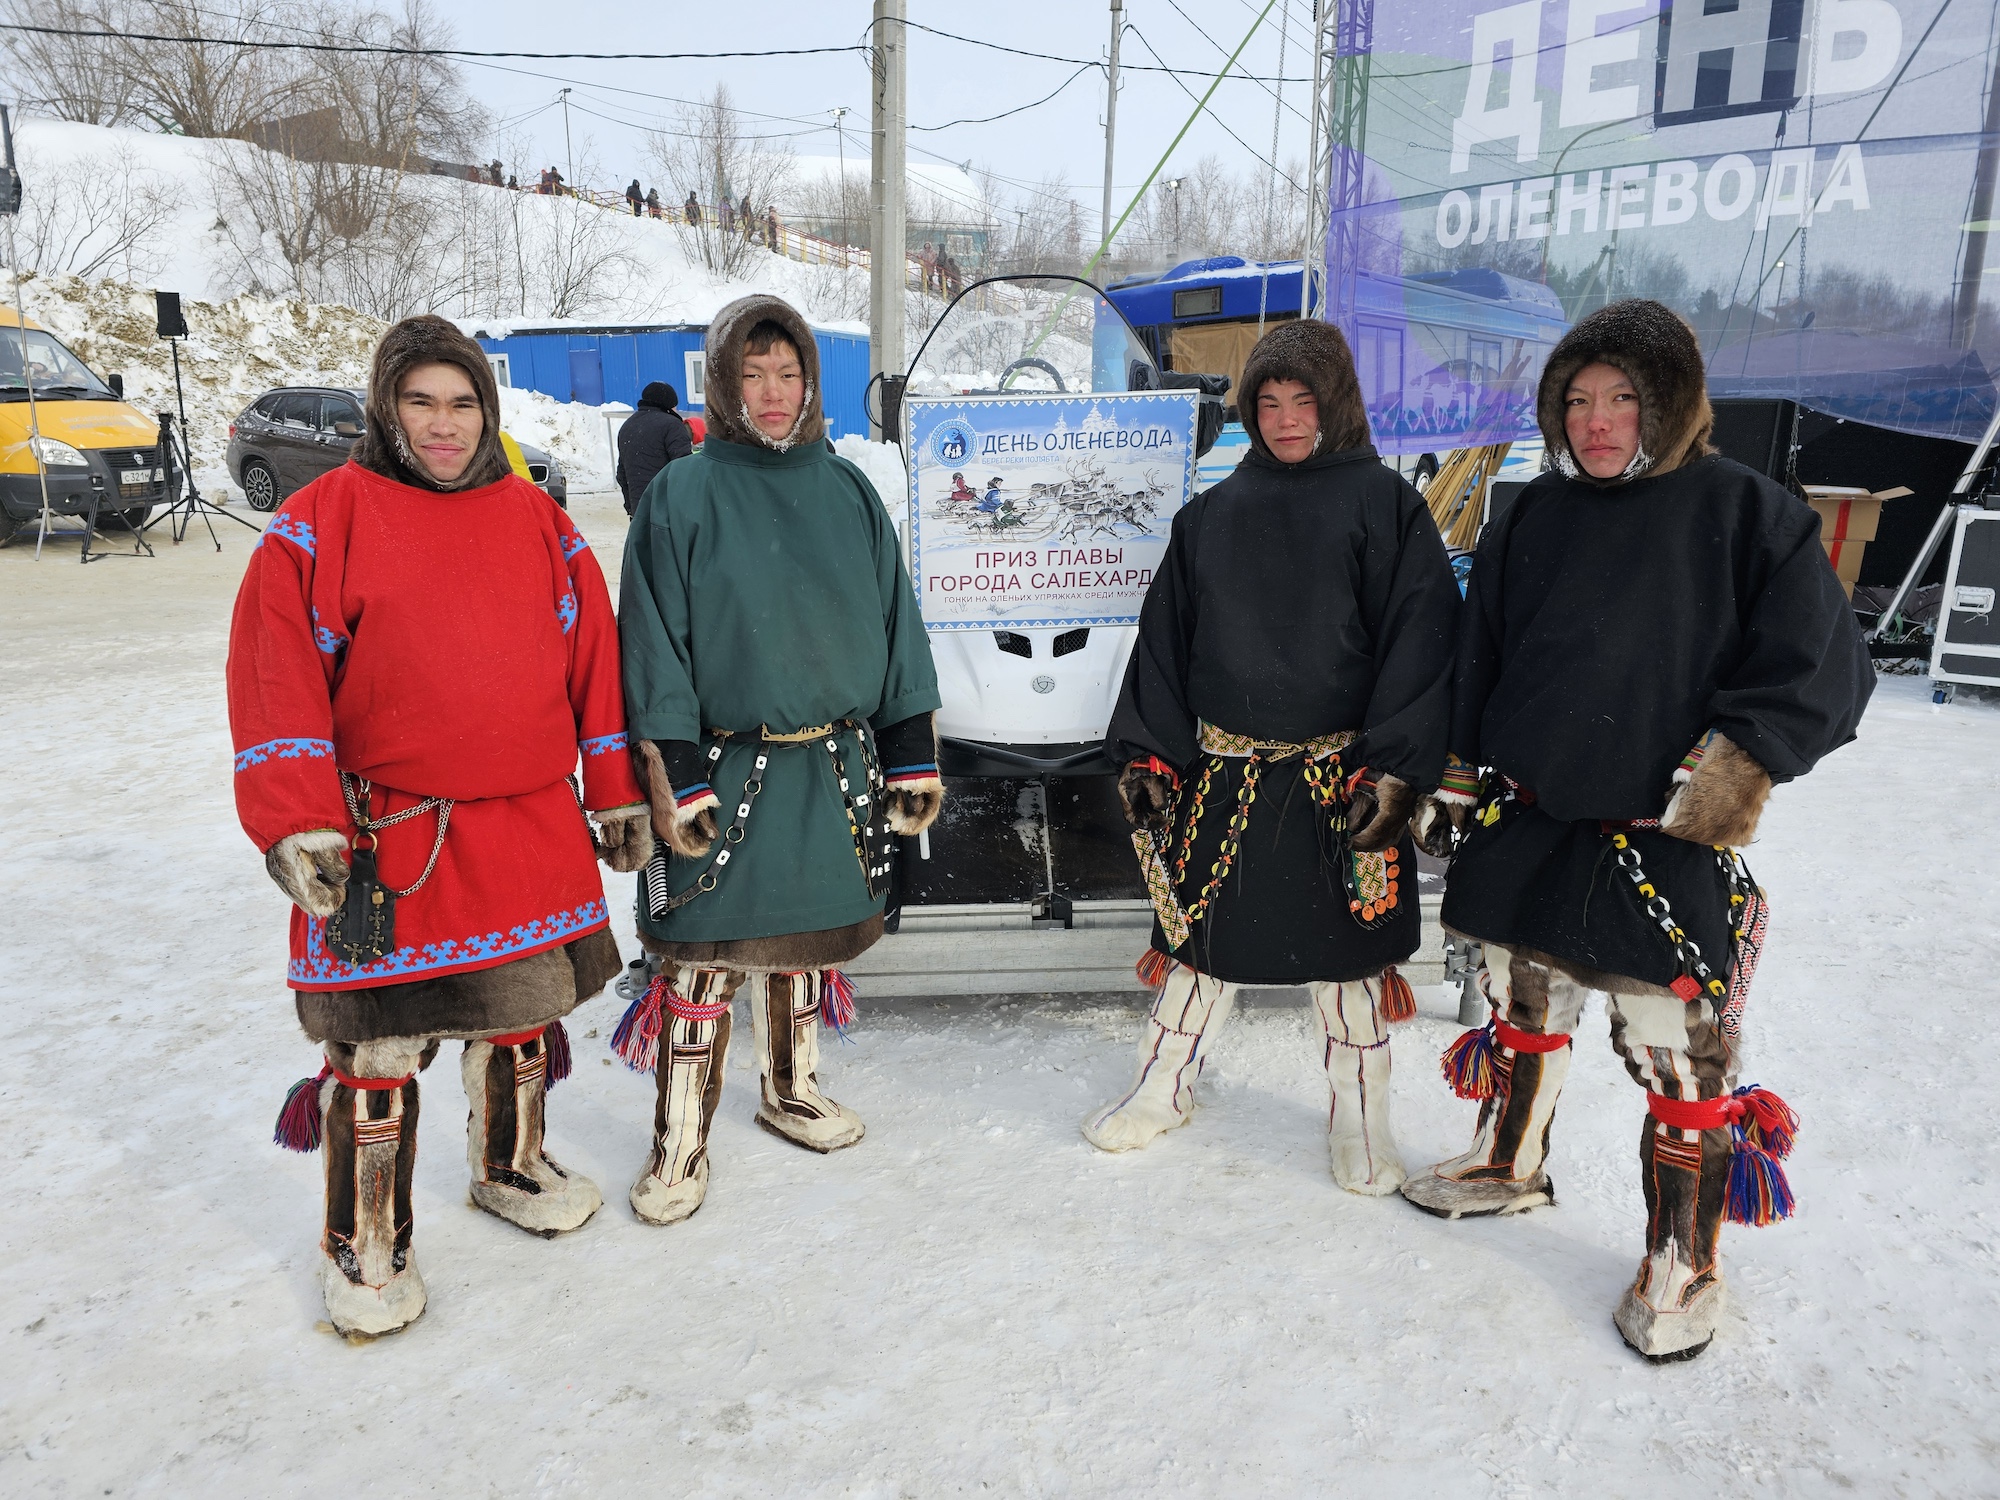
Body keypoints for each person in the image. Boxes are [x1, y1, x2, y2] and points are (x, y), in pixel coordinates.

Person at [1401, 300, 1873, 1361]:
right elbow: (1481, 651)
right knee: (1524, 1005)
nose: (1596, 422)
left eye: (1620, 399)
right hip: (1532, 821)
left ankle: (1681, 1260)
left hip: (1652, 842)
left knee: (1673, 1057)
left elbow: (1823, 667)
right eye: (1576, 400)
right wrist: (1458, 772)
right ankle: (1509, 1162)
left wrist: (1727, 773)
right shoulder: (1528, 514)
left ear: (1668, 406)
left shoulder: (1750, 514)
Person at [229, 315, 653, 1338]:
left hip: (524, 826)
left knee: (520, 1016)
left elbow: (592, 664)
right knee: (376, 1052)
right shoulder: (317, 524)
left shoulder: (538, 523)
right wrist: (299, 823)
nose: (443, 424)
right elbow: (276, 677)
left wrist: (614, 790)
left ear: (487, 410)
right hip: (389, 844)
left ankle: (510, 1163)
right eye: (419, 402)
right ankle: (365, 1242)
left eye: (462, 403)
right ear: (384, 407)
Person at [1081, 318, 1459, 1195]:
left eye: (1305, 400)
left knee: (1348, 964)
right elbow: (1166, 646)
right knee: (1199, 949)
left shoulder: (1386, 509)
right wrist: (1150, 758)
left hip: (1342, 786)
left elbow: (1422, 645)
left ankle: (1362, 1119)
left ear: (1338, 404)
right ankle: (1161, 1088)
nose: (1287, 419)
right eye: (1270, 401)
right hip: (1224, 777)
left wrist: (1395, 773)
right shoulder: (1211, 515)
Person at [616, 294, 942, 1226]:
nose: (770, 393)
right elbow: (655, 641)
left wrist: (910, 751)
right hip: (724, 772)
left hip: (833, 770)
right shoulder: (682, 494)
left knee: (805, 949)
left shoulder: (845, 490)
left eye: (787, 375)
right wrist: (674, 769)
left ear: (809, 384)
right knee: (704, 963)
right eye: (751, 375)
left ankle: (790, 1088)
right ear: (723, 382)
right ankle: (680, 1138)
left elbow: (895, 625)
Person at [615, 381, 694, 516]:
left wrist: (631, 508)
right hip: (667, 512)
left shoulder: (627, 426)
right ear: (669, 405)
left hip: (639, 511)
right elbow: (684, 469)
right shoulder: (672, 425)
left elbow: (621, 474)